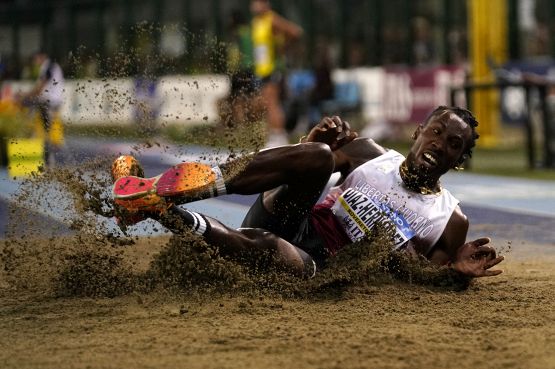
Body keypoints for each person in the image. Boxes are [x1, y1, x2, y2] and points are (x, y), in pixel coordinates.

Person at [111, 106, 504, 280]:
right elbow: (301, 170)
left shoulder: (451, 220)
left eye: (453, 144)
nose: (439, 144)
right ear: (418, 132)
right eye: (436, 132)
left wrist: (455, 274)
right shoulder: (370, 153)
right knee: (318, 154)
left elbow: (425, 278)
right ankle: (166, 191)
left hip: (322, 265)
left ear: (459, 160)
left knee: (264, 245)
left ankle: (154, 209)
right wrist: (307, 143)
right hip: (289, 216)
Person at [250, 0, 303, 147]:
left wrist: (282, 47)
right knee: (265, 103)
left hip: (272, 68)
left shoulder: (271, 19)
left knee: (272, 102)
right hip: (261, 69)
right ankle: (273, 134)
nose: (253, 6)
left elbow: (295, 32)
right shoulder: (256, 22)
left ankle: (279, 136)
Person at [18, 52, 65, 166]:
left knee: (47, 130)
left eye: (36, 60)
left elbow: (40, 87)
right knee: (47, 129)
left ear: (42, 57)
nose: (35, 63)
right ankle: (48, 157)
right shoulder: (51, 66)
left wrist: (26, 96)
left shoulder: (49, 66)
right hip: (50, 102)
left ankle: (50, 158)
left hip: (50, 102)